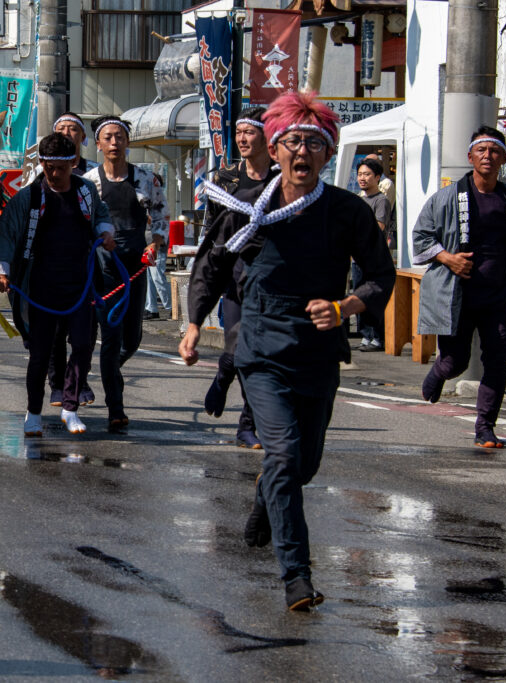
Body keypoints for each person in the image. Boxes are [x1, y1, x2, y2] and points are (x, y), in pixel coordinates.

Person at [179, 91, 394, 610]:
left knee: (304, 466)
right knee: (283, 454)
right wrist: (193, 323)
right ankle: (297, 576)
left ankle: (266, 496)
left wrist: (345, 307)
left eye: (314, 144)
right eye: (293, 142)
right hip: (261, 349)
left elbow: (381, 276)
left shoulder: (347, 211)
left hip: (318, 349)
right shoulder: (249, 209)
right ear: (275, 150)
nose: (303, 152)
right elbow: (211, 263)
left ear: (328, 154)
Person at [0, 132, 116, 436]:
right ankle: (34, 413)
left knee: (82, 346)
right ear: (42, 163)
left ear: (73, 163)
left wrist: (105, 232)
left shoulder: (86, 191)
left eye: (61, 168)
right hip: (40, 287)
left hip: (80, 286)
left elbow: (101, 215)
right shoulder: (28, 197)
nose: (54, 174)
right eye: (49, 167)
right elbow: (4, 234)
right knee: (40, 354)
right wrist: (1, 272)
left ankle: (70, 408)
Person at [412, 126, 506, 448]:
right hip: (457, 294)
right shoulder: (447, 197)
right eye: (481, 150)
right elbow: (420, 237)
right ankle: (439, 372)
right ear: (470, 157)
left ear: (503, 158)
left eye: (495, 151)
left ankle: (485, 428)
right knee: (456, 362)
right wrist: (448, 258)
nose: (488, 156)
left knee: (497, 362)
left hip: (497, 293)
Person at [190, 106, 276, 449]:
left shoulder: (281, 179)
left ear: (267, 137)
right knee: (239, 348)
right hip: (235, 276)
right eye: (239, 132)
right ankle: (225, 373)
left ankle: (247, 426)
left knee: (261, 358)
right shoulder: (224, 179)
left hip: (272, 279)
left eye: (249, 132)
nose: (242, 138)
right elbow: (212, 230)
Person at [84, 115, 169, 433]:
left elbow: (161, 214)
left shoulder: (146, 179)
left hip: (136, 266)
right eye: (108, 137)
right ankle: (115, 408)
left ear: (128, 142)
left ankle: (110, 371)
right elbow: (82, 222)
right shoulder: (89, 182)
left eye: (119, 137)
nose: (114, 142)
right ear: (98, 144)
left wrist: (155, 243)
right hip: (104, 270)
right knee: (110, 336)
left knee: (132, 340)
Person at [41, 112, 99, 409]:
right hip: (49, 261)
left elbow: (102, 213)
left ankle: (79, 380)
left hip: (88, 259)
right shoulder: (39, 173)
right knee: (54, 330)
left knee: (86, 331)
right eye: (61, 127)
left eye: (73, 128)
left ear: (83, 138)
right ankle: (57, 385)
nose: (67, 132)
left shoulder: (93, 175)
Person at [354, 157, 391, 351]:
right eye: (360, 174)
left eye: (367, 174)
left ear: (377, 177)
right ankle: (365, 335)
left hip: (374, 259)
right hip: (357, 259)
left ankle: (377, 337)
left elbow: (379, 227)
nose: (362, 178)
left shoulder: (381, 200)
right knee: (358, 296)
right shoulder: (358, 200)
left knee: (374, 298)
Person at [143, 170, 172, 321]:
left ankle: (172, 306)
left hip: (158, 245)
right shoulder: (147, 199)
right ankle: (151, 308)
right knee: (149, 278)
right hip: (147, 244)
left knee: (157, 277)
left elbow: (156, 220)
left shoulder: (158, 201)